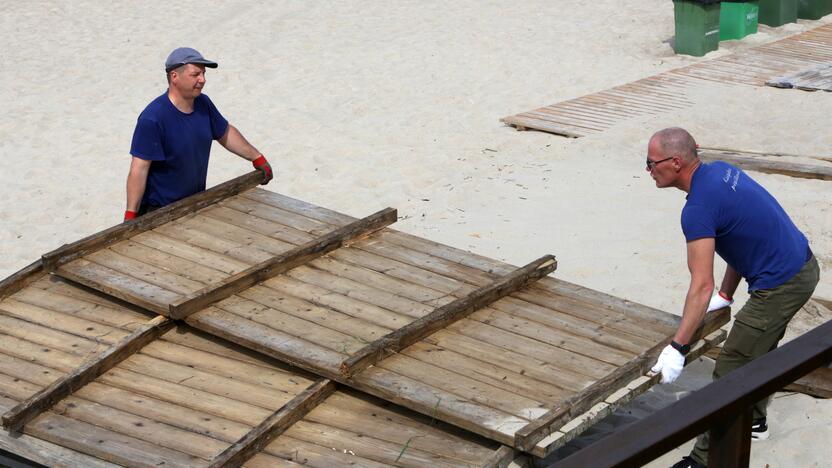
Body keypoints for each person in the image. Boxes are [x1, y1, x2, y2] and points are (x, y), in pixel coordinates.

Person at [645, 127, 819, 468]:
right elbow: (739, 238)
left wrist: (678, 347)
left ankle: (703, 459)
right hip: (801, 264)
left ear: (676, 162)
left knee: (731, 366)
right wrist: (727, 294)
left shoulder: (696, 209)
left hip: (782, 283)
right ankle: (754, 420)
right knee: (759, 350)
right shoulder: (721, 171)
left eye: (650, 163)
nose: (648, 170)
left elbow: (699, 286)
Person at [125, 47, 273, 220]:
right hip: (159, 212)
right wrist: (130, 216)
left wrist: (257, 157)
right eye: (195, 74)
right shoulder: (153, 119)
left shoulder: (203, 103)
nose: (202, 80)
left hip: (194, 203)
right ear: (175, 77)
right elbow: (139, 169)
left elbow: (225, 132)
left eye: (203, 74)